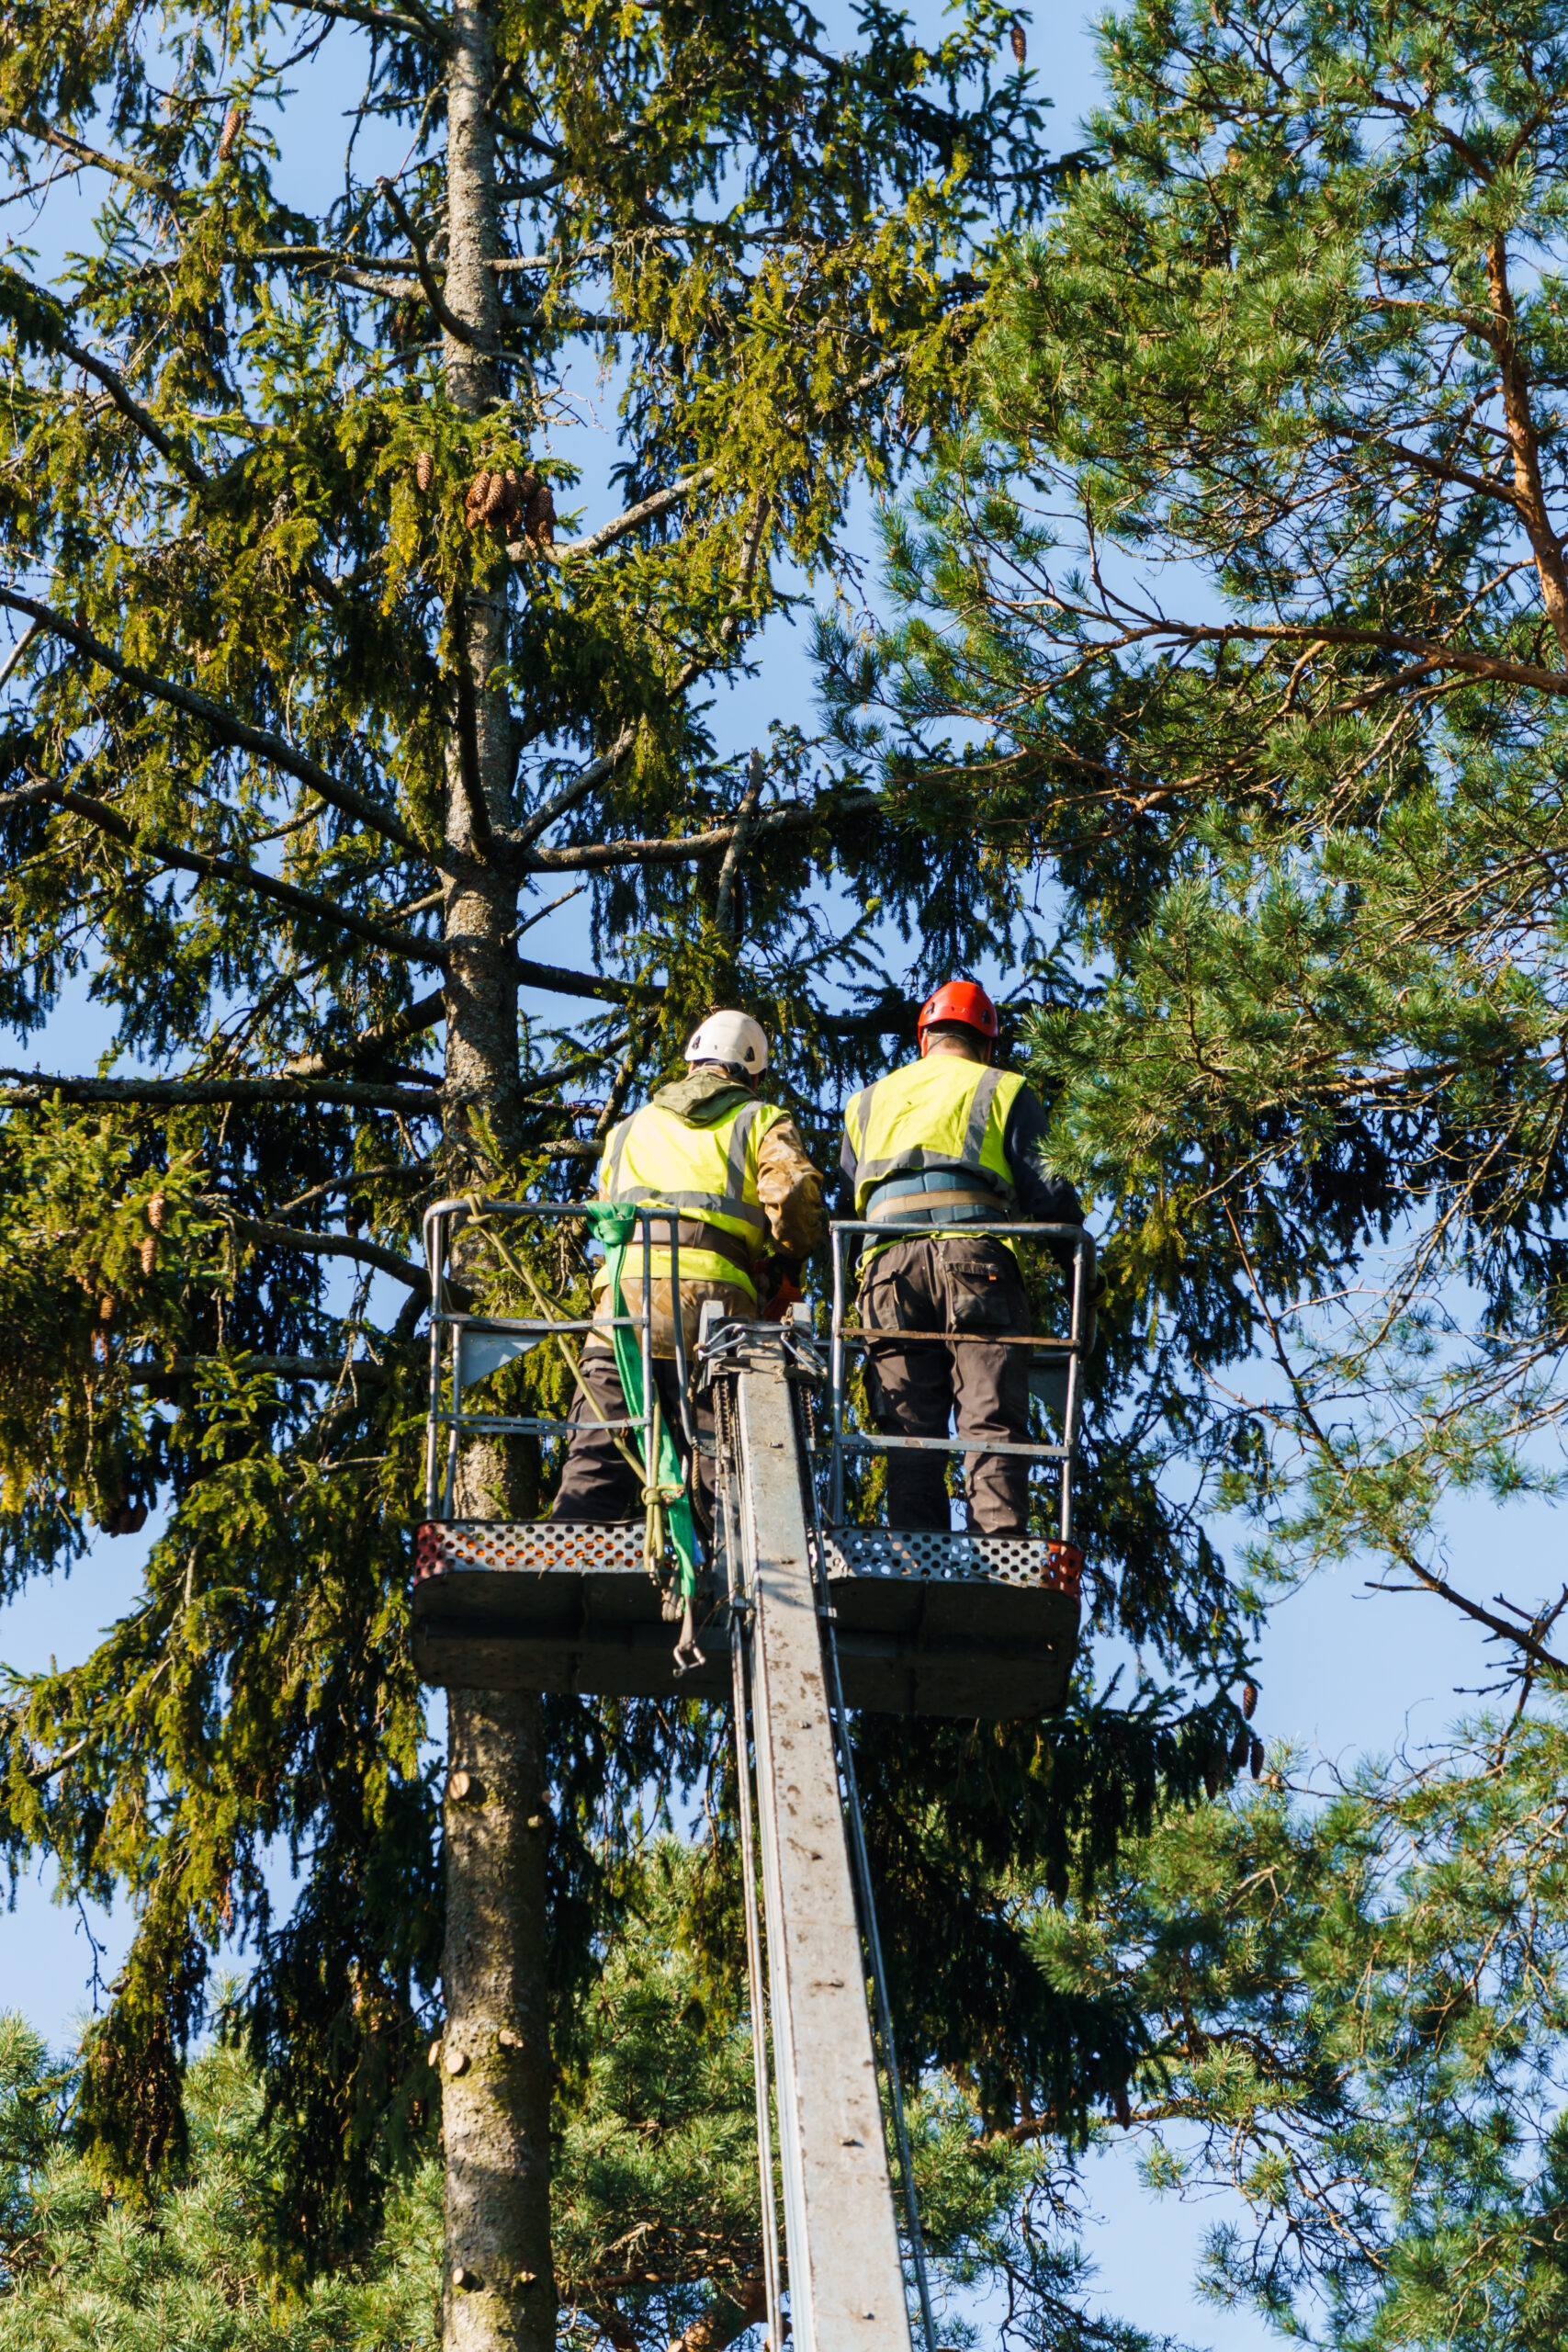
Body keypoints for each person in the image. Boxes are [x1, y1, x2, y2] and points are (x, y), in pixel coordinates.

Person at [552, 1010, 826, 1530]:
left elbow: (603, 1213)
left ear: (693, 1061)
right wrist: (789, 1256)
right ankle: (726, 1579)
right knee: (722, 1468)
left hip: (622, 1308)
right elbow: (790, 1196)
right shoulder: (761, 1119)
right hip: (715, 1314)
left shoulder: (629, 1128)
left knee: (597, 1457)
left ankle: (567, 1562)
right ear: (754, 1074)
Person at [837, 979, 1088, 1535]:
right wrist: (1078, 1273)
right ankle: (998, 1542)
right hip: (978, 1264)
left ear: (923, 1037)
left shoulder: (868, 1102)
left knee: (906, 1424)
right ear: (987, 1043)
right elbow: (1049, 1197)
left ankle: (915, 1543)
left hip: (887, 1277)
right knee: (989, 1413)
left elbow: (848, 1211)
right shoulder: (1003, 1088)